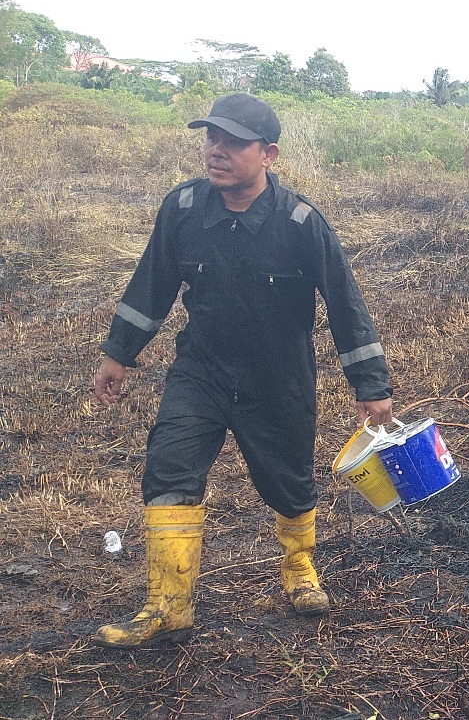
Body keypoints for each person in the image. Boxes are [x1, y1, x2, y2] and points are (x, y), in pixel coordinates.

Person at [90, 93, 393, 649]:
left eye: (233, 142)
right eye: (212, 138)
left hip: (278, 379)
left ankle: (299, 569)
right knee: (169, 468)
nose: (217, 151)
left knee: (290, 483)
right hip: (200, 371)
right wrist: (118, 353)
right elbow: (152, 284)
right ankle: (168, 605)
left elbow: (346, 305)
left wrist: (371, 386)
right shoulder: (182, 208)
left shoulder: (301, 223)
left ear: (268, 154)